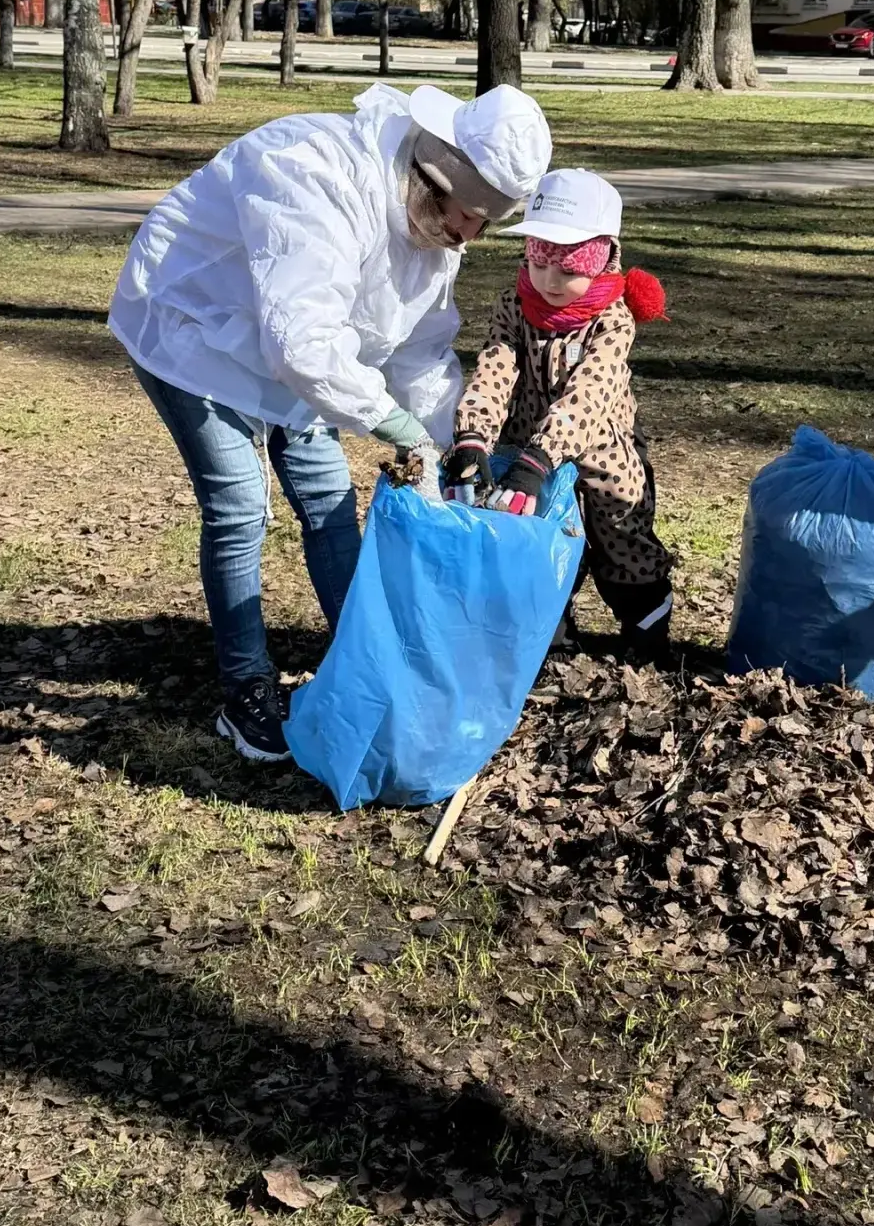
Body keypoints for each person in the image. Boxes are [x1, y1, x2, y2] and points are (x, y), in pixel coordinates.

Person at [109, 81, 552, 762]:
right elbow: (301, 342)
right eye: (467, 216)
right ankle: (246, 689)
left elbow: (421, 349)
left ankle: (366, 654)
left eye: (483, 224)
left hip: (298, 347)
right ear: (433, 180)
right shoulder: (314, 171)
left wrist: (455, 440)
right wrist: (392, 424)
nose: (470, 236)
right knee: (240, 505)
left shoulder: (436, 222)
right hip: (192, 325)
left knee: (327, 498)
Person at [442, 167, 674, 658]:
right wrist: (472, 436)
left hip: (604, 452)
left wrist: (541, 457)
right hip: (527, 446)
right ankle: (551, 635)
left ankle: (646, 627)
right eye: (539, 263)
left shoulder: (613, 319)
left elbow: (589, 394)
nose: (549, 281)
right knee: (536, 537)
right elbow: (495, 369)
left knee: (622, 537)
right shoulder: (514, 304)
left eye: (568, 269)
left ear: (603, 259)